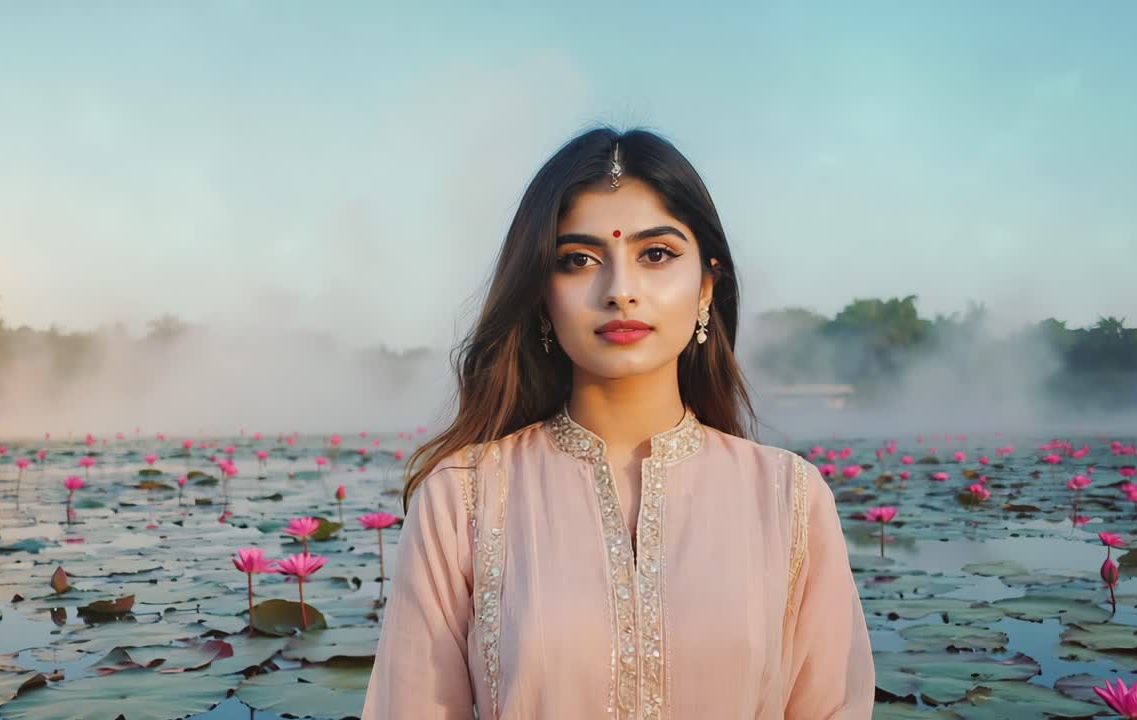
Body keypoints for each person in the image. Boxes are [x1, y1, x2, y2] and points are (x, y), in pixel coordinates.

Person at [361, 127, 874, 719]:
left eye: (655, 254)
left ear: (707, 285)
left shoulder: (790, 498)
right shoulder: (464, 498)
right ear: (540, 296)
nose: (620, 290)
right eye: (578, 260)